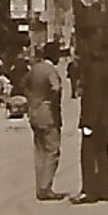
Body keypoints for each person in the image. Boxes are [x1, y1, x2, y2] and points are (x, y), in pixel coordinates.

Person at [75, 34, 108, 203]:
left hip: (93, 119)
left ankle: (89, 191)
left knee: (88, 153)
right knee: (103, 153)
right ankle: (104, 189)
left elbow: (95, 97)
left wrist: (88, 122)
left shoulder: (94, 69)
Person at [26, 42, 67, 200]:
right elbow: (55, 88)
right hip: (48, 114)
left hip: (34, 113)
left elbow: (25, 84)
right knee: (52, 151)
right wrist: (51, 103)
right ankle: (45, 188)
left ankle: (40, 186)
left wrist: (33, 100)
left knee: (39, 151)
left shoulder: (35, 68)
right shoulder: (51, 71)